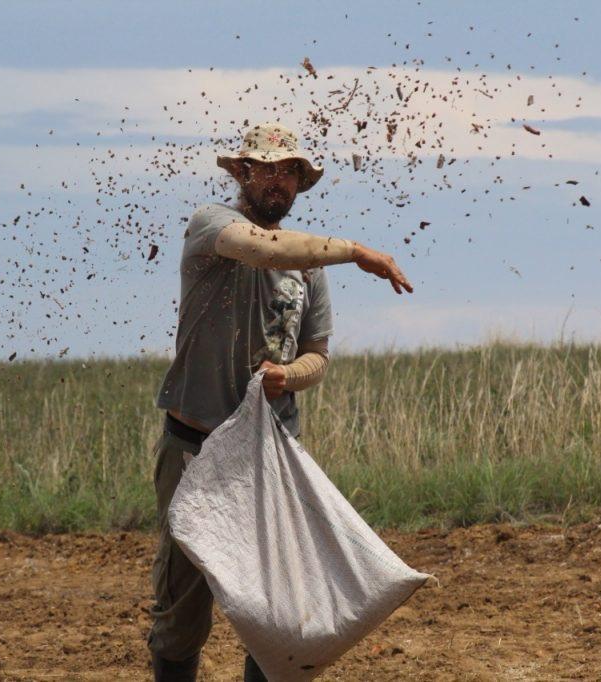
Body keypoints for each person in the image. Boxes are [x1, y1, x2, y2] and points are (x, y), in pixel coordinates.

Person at [147, 122, 413, 681]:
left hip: (271, 457)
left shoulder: (309, 270)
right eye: (268, 168)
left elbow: (317, 355)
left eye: (290, 171)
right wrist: (356, 251)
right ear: (243, 173)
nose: (279, 181)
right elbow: (264, 250)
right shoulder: (211, 226)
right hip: (195, 450)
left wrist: (287, 376)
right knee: (182, 612)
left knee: (278, 613)